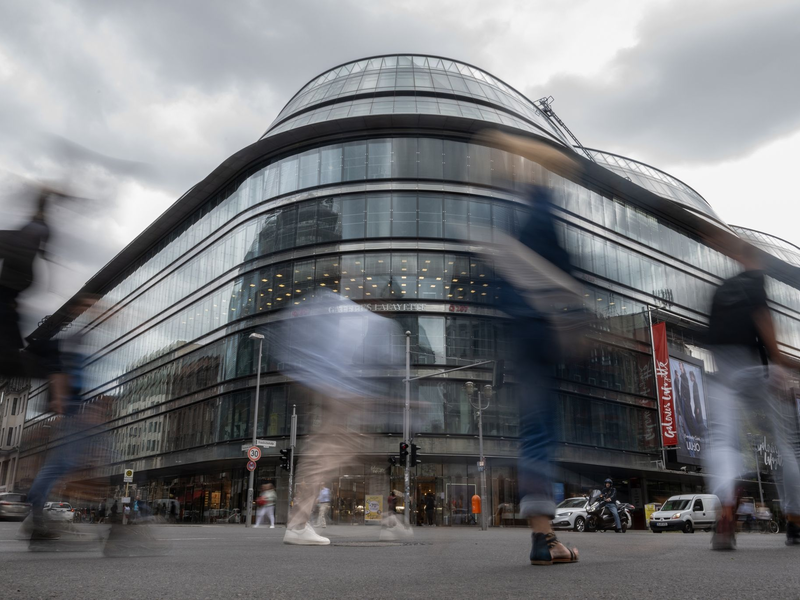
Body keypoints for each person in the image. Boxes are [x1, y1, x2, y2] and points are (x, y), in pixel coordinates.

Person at [480, 131, 584, 566]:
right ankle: (545, 542)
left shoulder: (509, 219)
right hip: (542, 328)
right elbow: (561, 274)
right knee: (542, 431)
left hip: (520, 331)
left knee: (534, 432)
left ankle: (545, 538)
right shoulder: (538, 212)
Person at [703, 240, 800, 549]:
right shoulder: (755, 279)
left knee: (722, 439)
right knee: (787, 446)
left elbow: (712, 337)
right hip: (758, 369)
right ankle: (796, 521)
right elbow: (762, 317)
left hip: (725, 371)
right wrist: (780, 361)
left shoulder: (721, 289)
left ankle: (726, 509)